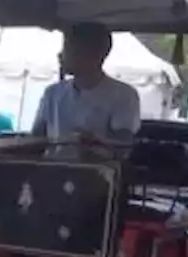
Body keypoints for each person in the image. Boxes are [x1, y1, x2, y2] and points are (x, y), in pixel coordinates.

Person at [31, 22, 140, 160]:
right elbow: (35, 141)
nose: (60, 55)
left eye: (67, 49)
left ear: (93, 54)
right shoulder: (52, 93)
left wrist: (94, 144)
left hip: (99, 175)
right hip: (52, 172)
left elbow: (122, 149)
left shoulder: (124, 95)